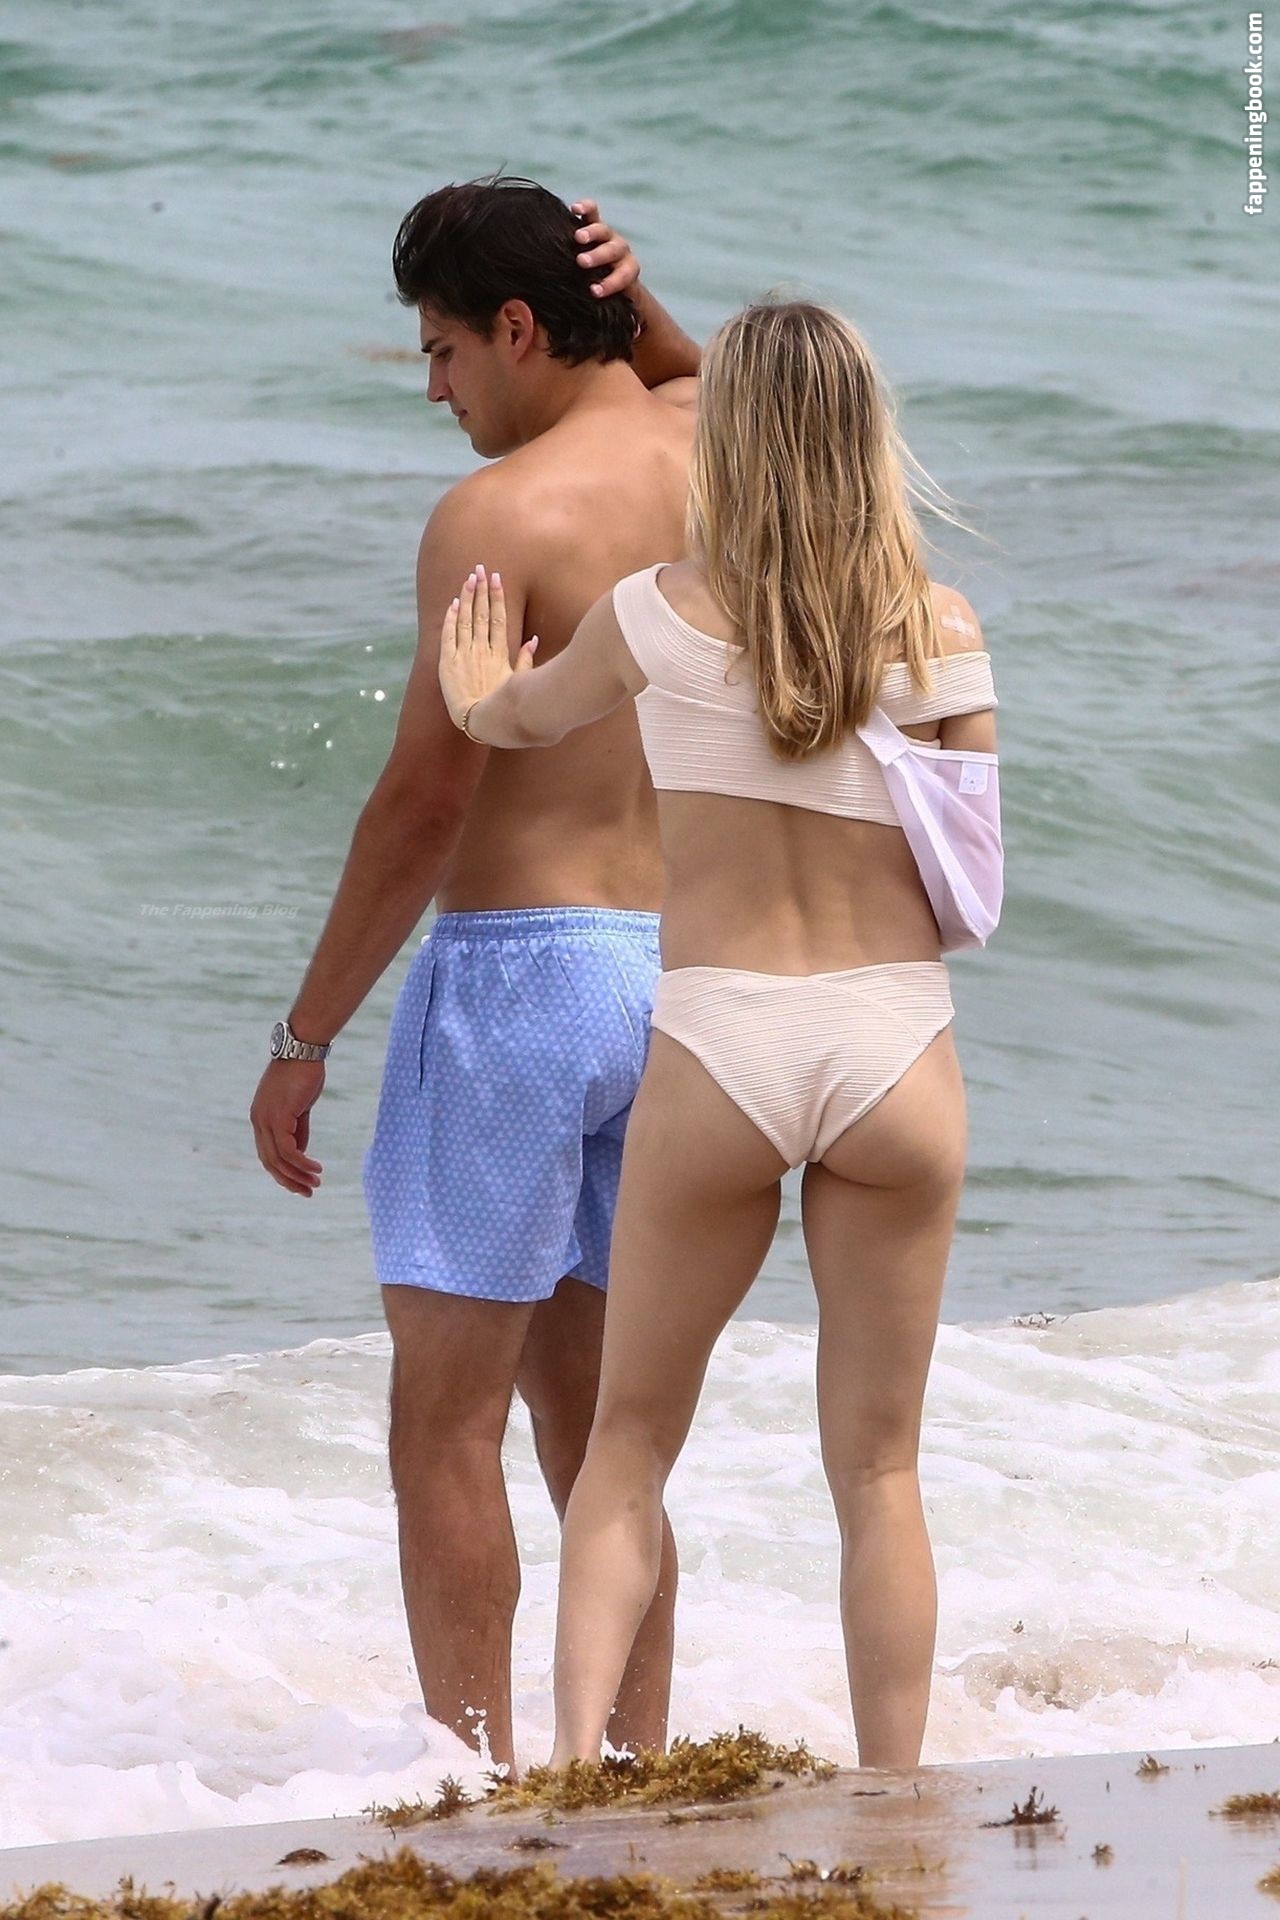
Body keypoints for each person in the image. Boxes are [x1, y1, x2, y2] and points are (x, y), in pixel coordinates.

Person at [436, 298, 999, 1772]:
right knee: (880, 1471)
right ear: (866, 436)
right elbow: (976, 880)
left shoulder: (654, 616)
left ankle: (573, 1776)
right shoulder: (944, 629)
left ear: (731, 440)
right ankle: (896, 1799)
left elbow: (523, 719)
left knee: (625, 1448)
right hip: (893, 1050)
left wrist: (476, 699)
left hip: (722, 1046)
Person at [249, 176, 702, 1777]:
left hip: (523, 980)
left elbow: (426, 803)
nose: (436, 389)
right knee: (606, 1431)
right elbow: (696, 371)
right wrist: (640, 301)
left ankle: (479, 1777)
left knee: (444, 1420)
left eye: (444, 349)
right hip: (676, 978)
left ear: (517, 327)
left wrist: (305, 1033)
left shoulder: (497, 517)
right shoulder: (717, 451)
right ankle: (636, 1773)